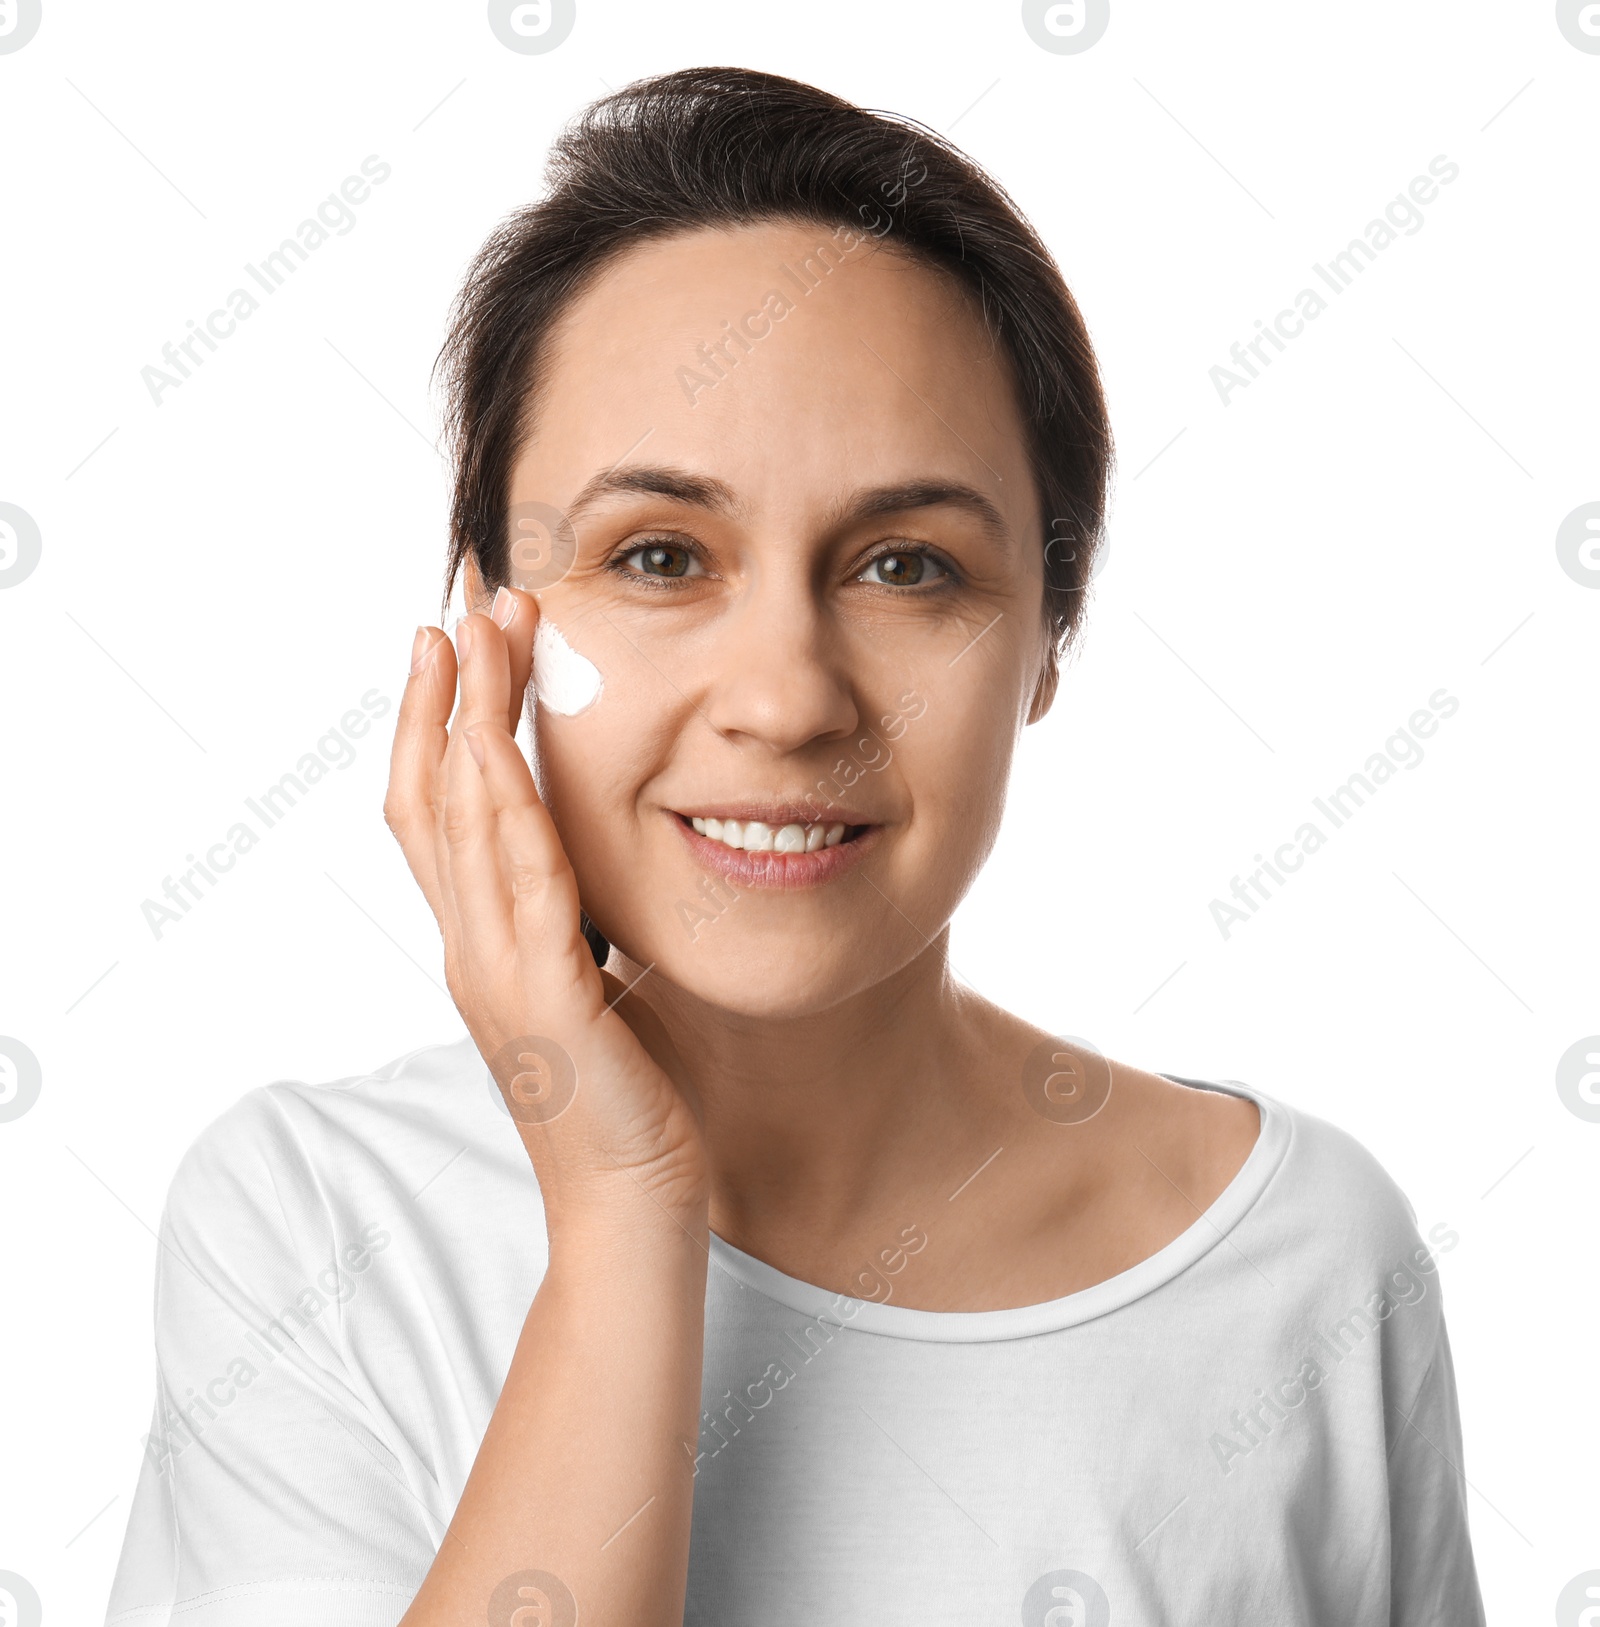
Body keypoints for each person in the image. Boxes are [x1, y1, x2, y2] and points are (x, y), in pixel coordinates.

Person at [105, 66, 1485, 1627]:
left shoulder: (1298, 1263)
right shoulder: (313, 1231)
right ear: (493, 620)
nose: (784, 697)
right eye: (660, 556)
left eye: (907, 566)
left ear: (1049, 638)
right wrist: (624, 1205)